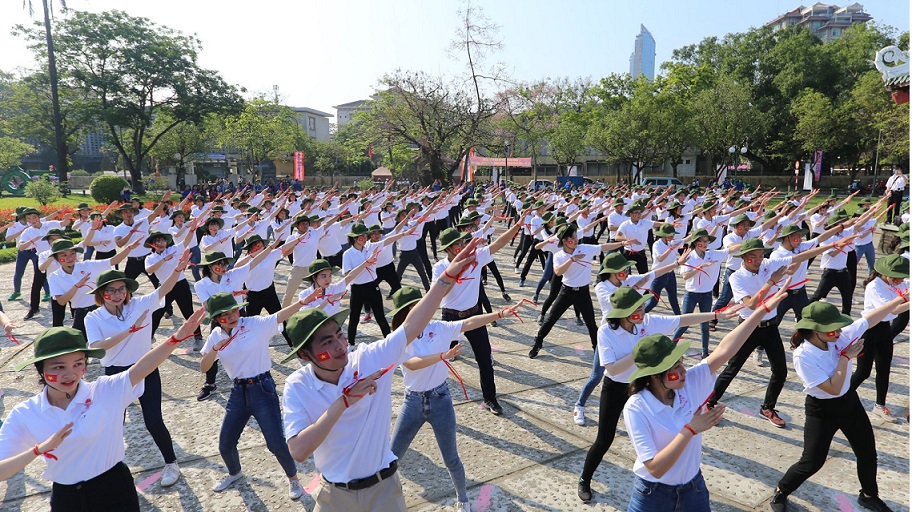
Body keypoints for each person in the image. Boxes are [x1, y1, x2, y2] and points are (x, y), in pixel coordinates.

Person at [281, 239, 480, 512]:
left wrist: (445, 280)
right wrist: (344, 402)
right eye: (326, 343)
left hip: (383, 491)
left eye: (339, 335)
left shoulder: (366, 358)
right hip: (334, 496)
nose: (340, 346)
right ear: (305, 356)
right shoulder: (297, 385)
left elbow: (410, 326)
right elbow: (299, 451)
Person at [0, 311, 205, 510]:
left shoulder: (104, 390)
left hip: (114, 488)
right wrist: (39, 450)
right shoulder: (26, 413)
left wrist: (176, 339)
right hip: (67, 498)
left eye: (78, 364)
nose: (70, 374)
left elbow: (141, 368)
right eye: (58, 367)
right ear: (41, 369)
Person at [621, 284, 790, 512]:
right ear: (652, 375)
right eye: (674, 368)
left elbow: (724, 350)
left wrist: (761, 310)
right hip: (653, 495)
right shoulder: (637, 407)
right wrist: (691, 429)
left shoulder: (688, 383)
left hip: (693, 490)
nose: (683, 371)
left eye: (681, 363)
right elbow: (655, 468)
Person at [576, 286, 741, 503]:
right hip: (616, 387)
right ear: (623, 312)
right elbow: (613, 368)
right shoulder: (605, 331)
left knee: (668, 432)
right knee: (604, 438)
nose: (643, 312)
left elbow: (680, 320)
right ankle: (584, 479)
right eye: (637, 309)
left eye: (643, 307)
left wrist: (717, 314)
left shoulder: (646, 322)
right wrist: (641, 353)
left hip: (647, 386)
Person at [388, 286, 526, 512]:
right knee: (391, 458)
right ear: (405, 312)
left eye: (423, 306)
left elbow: (470, 322)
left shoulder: (439, 328)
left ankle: (463, 499)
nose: (423, 311)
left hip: (440, 399)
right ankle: (384, 499)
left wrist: (500, 314)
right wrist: (442, 356)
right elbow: (411, 364)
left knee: (451, 457)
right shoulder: (399, 337)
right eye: (415, 308)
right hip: (412, 402)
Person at [769, 298, 909, 512]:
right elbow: (833, 388)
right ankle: (781, 491)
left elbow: (870, 319)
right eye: (831, 330)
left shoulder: (837, 336)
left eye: (838, 328)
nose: (838, 333)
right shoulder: (803, 355)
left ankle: (869, 495)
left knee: (867, 452)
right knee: (812, 462)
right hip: (822, 410)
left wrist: (901, 299)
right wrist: (845, 357)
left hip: (849, 403)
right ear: (814, 330)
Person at [709, 237, 845, 427]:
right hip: (748, 327)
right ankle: (709, 403)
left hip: (770, 327)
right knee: (732, 368)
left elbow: (802, 255)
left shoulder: (767, 264)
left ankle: (767, 407)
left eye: (760, 255)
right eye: (752, 257)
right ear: (743, 258)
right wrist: (771, 282)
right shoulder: (736, 277)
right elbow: (751, 303)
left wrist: (831, 245)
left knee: (780, 371)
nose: (757, 260)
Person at [84, 262, 188, 488]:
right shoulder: (93, 317)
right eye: (110, 290)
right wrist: (128, 330)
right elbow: (98, 347)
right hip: (115, 374)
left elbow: (164, 289)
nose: (117, 294)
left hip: (145, 367)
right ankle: (109, 469)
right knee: (113, 423)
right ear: (101, 294)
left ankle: (171, 463)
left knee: (153, 420)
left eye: (121, 289)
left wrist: (178, 269)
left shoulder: (140, 305)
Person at [199, 292, 308, 497]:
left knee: (275, 443)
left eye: (234, 310)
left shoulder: (253, 324)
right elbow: (204, 367)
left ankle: (294, 480)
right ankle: (235, 473)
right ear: (216, 319)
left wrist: (302, 303)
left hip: (262, 388)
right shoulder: (215, 335)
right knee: (225, 443)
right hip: (237, 392)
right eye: (225, 314)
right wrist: (214, 348)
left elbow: (279, 316)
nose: (233, 316)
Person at [434, 214, 529, 415]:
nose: (460, 246)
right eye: (456, 244)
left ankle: (490, 399)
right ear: (448, 249)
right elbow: (440, 292)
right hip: (450, 317)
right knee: (438, 359)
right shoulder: (440, 267)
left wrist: (518, 225)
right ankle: (435, 398)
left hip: (474, 316)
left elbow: (499, 243)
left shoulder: (476, 258)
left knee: (485, 359)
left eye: (461, 242)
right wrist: (456, 269)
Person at [528, 224, 624, 359]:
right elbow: (558, 272)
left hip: (583, 293)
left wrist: (622, 243)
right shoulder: (559, 255)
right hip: (566, 292)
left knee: (591, 323)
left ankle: (597, 348)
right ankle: (538, 342)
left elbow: (603, 247)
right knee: (550, 319)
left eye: (576, 237)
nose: (576, 240)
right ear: (565, 241)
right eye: (573, 238)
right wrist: (572, 259)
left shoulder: (584, 248)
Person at [849, 255, 910, 421]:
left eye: (903, 277)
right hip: (868, 330)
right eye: (898, 277)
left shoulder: (899, 282)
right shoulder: (875, 286)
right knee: (863, 372)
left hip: (884, 330)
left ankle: (880, 405)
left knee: (884, 369)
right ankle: (839, 399)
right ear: (887, 273)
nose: (901, 281)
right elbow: (892, 311)